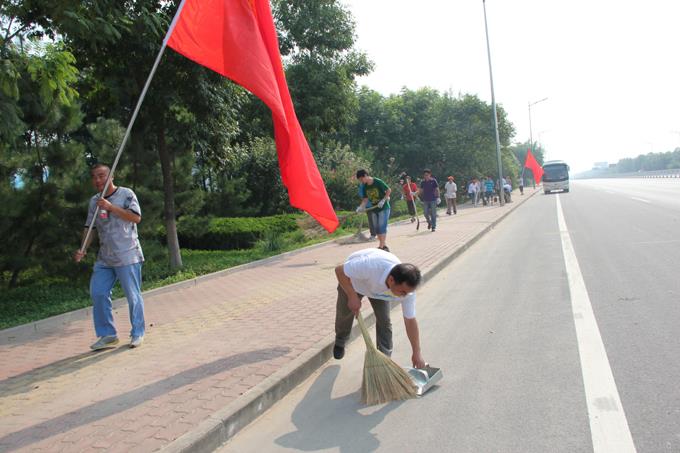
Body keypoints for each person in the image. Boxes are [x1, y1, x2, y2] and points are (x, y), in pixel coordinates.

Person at [74, 164, 146, 350]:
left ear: (111, 176)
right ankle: (108, 335)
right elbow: (90, 227)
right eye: (94, 177)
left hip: (127, 254)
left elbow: (136, 218)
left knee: (133, 295)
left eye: (101, 176)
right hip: (105, 257)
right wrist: (83, 248)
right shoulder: (94, 201)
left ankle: (137, 332)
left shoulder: (126, 194)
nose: (98, 180)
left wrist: (111, 207)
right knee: (98, 292)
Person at [333, 248, 427, 368]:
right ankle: (340, 340)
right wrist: (352, 295)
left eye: (407, 293)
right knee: (344, 314)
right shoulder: (370, 265)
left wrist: (417, 352)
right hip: (353, 283)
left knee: (384, 320)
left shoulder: (407, 292)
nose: (404, 296)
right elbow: (339, 270)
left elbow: (410, 321)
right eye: (402, 292)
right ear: (391, 280)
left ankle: (384, 359)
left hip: (379, 291)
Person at [356, 169, 391, 251]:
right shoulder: (365, 186)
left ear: (365, 175)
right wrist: (360, 207)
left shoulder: (377, 181)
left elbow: (388, 190)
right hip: (374, 209)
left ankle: (381, 247)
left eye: (361, 179)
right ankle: (384, 246)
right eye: (360, 180)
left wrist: (383, 200)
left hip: (383, 208)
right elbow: (365, 199)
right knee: (376, 228)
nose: (361, 181)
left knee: (382, 227)